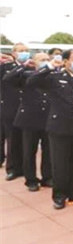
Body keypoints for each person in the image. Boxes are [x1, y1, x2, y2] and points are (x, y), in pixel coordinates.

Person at [27, 49, 73, 210]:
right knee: (60, 163)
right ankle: (59, 196)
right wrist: (49, 66)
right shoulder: (54, 77)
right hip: (59, 127)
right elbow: (31, 82)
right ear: (65, 61)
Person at [3, 52, 52, 191]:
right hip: (30, 118)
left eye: (47, 59)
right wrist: (23, 65)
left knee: (48, 151)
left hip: (48, 117)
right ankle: (31, 180)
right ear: (34, 61)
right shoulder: (25, 74)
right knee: (29, 151)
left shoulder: (52, 74)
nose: (45, 61)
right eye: (42, 59)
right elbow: (7, 79)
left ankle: (48, 177)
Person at [0, 43, 27, 181]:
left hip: (28, 108)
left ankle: (26, 169)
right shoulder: (6, 67)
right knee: (12, 139)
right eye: (21, 51)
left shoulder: (32, 67)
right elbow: (6, 80)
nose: (24, 53)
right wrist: (22, 67)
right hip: (11, 107)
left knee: (27, 141)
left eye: (26, 50)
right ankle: (13, 168)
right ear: (14, 53)